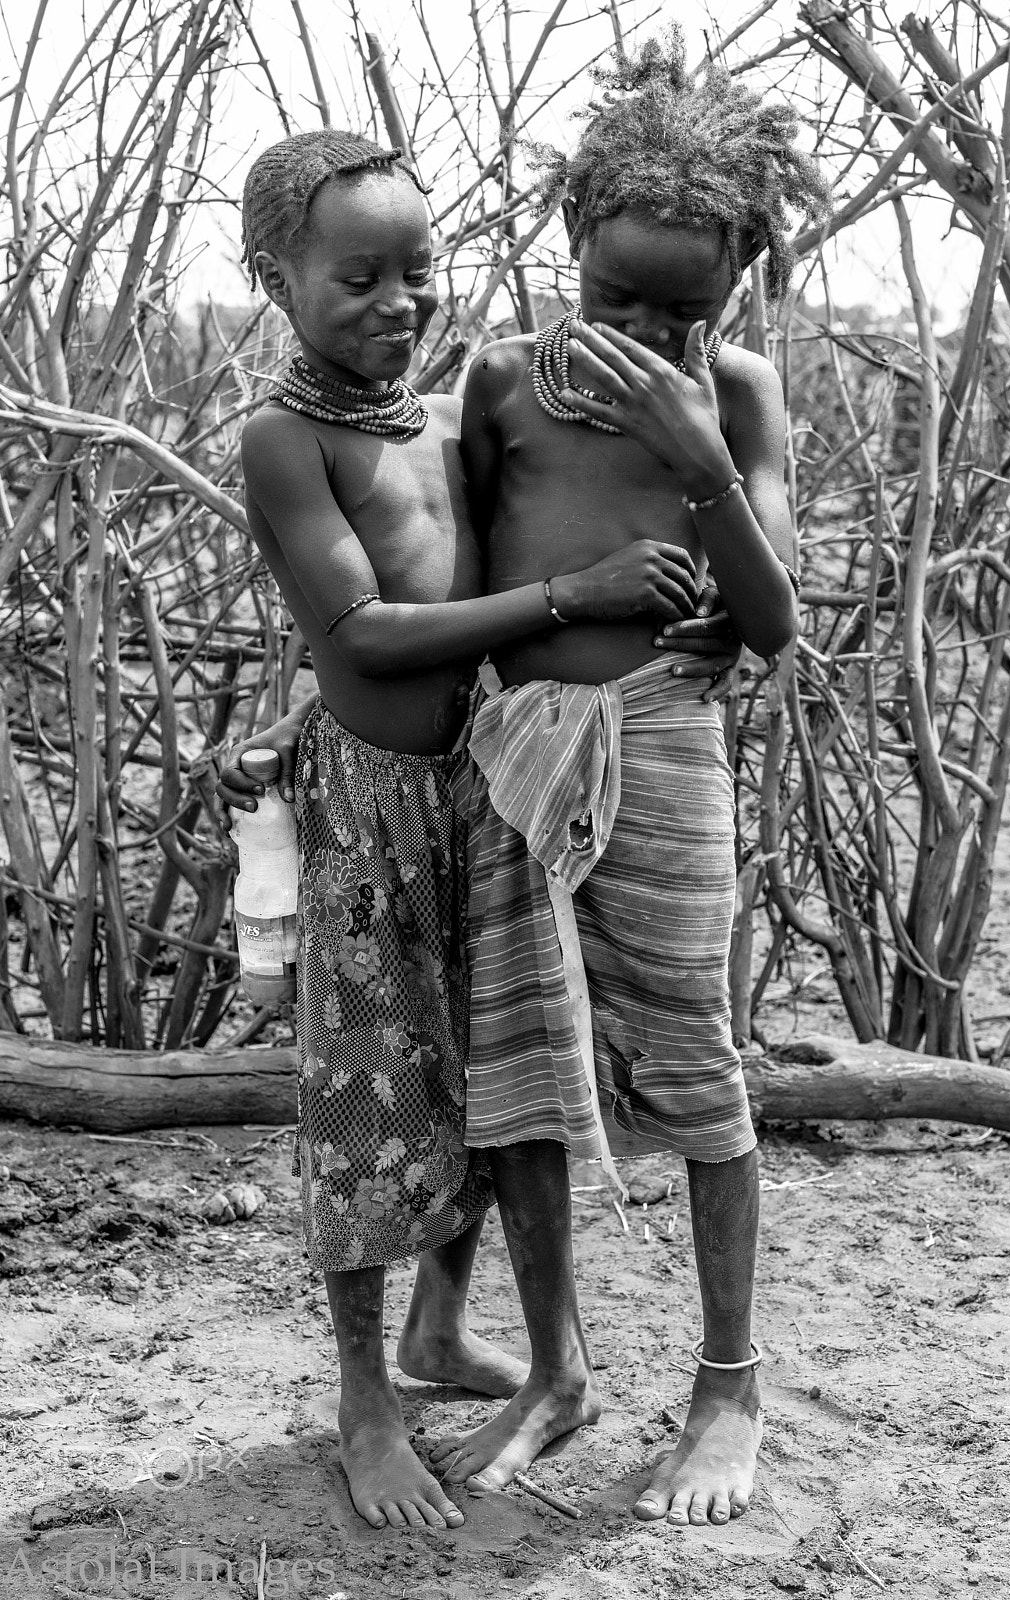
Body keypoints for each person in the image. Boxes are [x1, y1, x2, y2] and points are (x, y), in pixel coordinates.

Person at [227, 126, 735, 1534]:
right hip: (371, 814)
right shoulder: (285, 435)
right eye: (358, 280)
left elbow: (491, 554)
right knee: (368, 1093)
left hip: (487, 788)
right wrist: (577, 598)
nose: (398, 303)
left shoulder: (449, 408)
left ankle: (444, 1338)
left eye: (419, 272)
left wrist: (670, 607)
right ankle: (365, 1403)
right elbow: (368, 628)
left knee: (486, 1087)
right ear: (274, 278)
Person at [424, 36, 830, 1529]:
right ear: (567, 248)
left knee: (697, 1063)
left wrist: (697, 452)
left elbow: (774, 624)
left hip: (666, 748)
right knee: (520, 1074)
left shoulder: (736, 392)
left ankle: (729, 1384)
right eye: (619, 300)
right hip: (517, 754)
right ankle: (556, 1369)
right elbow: (463, 587)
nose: (652, 331)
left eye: (688, 307)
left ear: (737, 287)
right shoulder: (496, 387)